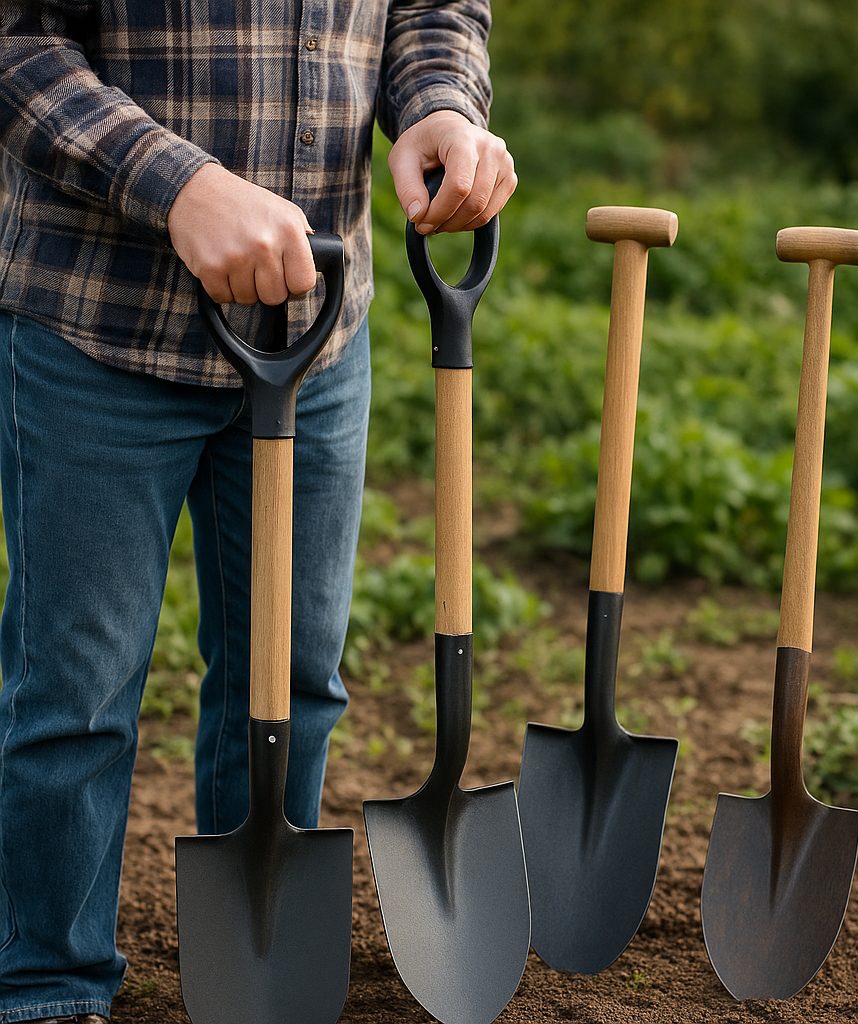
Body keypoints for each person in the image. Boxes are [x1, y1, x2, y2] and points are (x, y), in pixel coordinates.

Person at [0, 3, 515, 1022]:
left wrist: (439, 102)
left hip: (319, 326)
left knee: (292, 678)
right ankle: (48, 987)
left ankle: (255, 971)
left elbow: (433, 8)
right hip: (101, 321)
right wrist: (176, 182)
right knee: (77, 693)